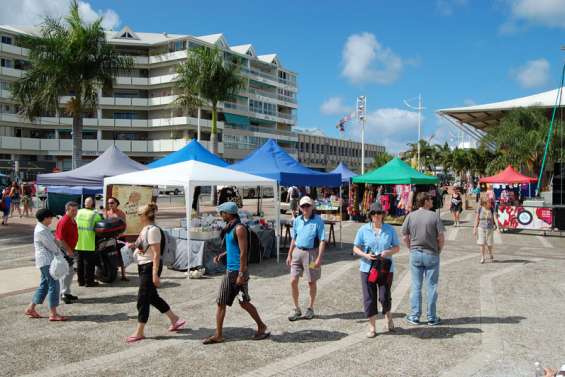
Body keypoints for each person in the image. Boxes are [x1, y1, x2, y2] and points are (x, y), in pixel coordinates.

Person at [203, 201, 270, 344]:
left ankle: (261, 326)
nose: (220, 216)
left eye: (222, 213)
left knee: (240, 303)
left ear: (228, 214)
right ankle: (219, 334)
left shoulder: (239, 228)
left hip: (237, 272)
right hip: (230, 271)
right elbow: (234, 248)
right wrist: (223, 254)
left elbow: (243, 252)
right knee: (225, 302)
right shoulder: (229, 228)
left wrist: (241, 274)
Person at [126, 203, 185, 343]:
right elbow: (145, 247)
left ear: (146, 216)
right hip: (143, 265)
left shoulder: (153, 230)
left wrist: (155, 275)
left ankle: (140, 331)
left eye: (140, 215)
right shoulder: (146, 229)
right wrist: (133, 245)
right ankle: (175, 319)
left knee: (142, 298)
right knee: (152, 297)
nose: (138, 217)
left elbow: (156, 254)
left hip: (150, 266)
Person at [353, 202, 400, 338]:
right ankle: (372, 327)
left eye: (379, 213)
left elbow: (397, 247)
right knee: (369, 298)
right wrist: (365, 255)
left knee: (384, 296)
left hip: (385, 268)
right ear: (370, 215)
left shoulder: (390, 229)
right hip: (367, 268)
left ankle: (388, 316)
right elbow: (355, 247)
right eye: (374, 213)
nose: (377, 216)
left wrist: (388, 252)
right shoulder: (363, 230)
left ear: (383, 215)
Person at [401, 192, 445, 326]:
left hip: (415, 253)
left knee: (416, 286)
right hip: (431, 253)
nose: (432, 201)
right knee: (431, 286)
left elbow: (404, 236)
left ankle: (414, 316)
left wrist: (411, 248)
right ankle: (431, 317)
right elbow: (441, 238)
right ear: (425, 201)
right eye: (430, 199)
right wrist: (438, 250)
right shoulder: (434, 216)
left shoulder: (411, 216)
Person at [286, 196, 326, 321]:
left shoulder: (318, 220)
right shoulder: (297, 220)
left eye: (307, 206)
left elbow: (322, 240)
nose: (305, 208)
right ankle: (296, 308)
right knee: (293, 281)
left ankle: (310, 307)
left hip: (311, 255)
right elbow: (294, 238)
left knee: (311, 281)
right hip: (297, 253)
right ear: (299, 207)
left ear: (312, 206)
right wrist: (289, 254)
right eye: (303, 206)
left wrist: (319, 258)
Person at [24, 208, 67, 321]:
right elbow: (52, 246)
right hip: (46, 261)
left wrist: (56, 243)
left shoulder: (43, 228)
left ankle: (31, 308)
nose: (51, 219)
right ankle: (53, 313)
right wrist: (59, 248)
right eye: (50, 217)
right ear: (45, 218)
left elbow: (54, 242)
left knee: (45, 285)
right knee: (54, 285)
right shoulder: (41, 230)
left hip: (46, 260)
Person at [75, 197, 103, 287]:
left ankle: (80, 281)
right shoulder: (95, 214)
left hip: (78, 242)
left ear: (84, 204)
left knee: (80, 263)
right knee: (89, 264)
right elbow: (101, 225)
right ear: (93, 204)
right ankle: (89, 282)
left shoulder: (78, 212)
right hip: (89, 242)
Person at [55, 201, 79, 304]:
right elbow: (60, 239)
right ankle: (63, 293)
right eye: (72, 210)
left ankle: (67, 292)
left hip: (70, 249)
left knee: (70, 272)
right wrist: (69, 250)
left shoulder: (72, 220)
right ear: (67, 210)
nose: (75, 212)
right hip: (64, 250)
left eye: (76, 210)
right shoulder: (64, 221)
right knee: (65, 272)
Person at [105, 197, 128, 281]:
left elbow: (124, 226)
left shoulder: (121, 213)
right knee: (111, 255)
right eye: (109, 203)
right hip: (110, 238)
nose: (110, 204)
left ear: (116, 203)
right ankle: (112, 272)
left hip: (120, 237)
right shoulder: (107, 213)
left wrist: (119, 235)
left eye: (112, 202)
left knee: (122, 256)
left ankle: (123, 275)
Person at [473, 198, 497, 264]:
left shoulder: (492, 209)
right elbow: (477, 219)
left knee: (489, 244)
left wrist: (497, 226)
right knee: (481, 243)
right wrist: (474, 228)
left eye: (491, 202)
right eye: (489, 202)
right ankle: (482, 257)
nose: (491, 204)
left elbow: (495, 218)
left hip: (490, 228)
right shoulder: (480, 209)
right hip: (481, 227)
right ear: (485, 203)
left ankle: (490, 254)